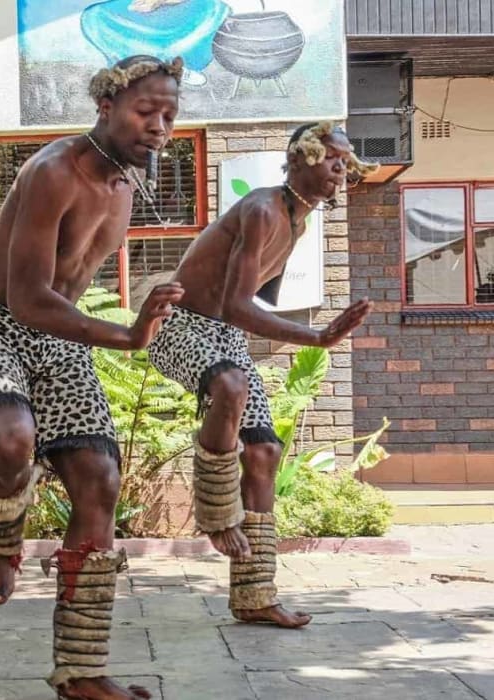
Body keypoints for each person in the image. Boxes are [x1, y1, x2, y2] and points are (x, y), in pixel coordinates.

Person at [0, 55, 185, 700]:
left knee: (100, 481)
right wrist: (129, 336)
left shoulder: (128, 184)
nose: (160, 125)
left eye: (169, 113)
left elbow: (73, 284)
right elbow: (26, 297)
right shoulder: (55, 170)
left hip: (60, 340)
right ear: (105, 106)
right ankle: (3, 532)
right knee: (12, 438)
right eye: (146, 111)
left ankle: (81, 671)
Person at [147, 122, 375, 630]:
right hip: (180, 326)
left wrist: (305, 334)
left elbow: (247, 308)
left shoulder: (300, 217)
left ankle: (255, 592)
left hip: (223, 336)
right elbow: (233, 303)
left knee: (265, 451)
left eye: (346, 161)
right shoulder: (263, 209)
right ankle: (214, 511)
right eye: (332, 158)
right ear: (301, 158)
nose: (342, 169)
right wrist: (315, 337)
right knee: (229, 384)